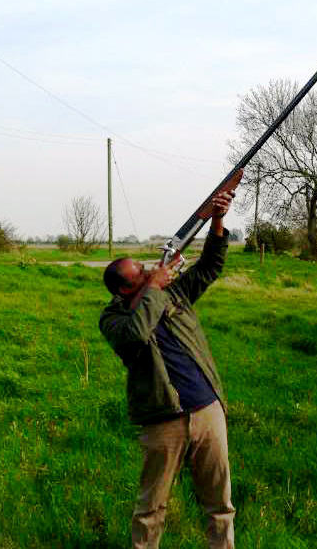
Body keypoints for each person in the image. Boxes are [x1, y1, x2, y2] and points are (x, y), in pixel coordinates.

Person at [99, 190, 236, 549]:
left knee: (220, 505)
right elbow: (135, 336)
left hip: (207, 410)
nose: (149, 271)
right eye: (140, 274)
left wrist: (217, 219)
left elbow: (210, 267)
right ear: (124, 289)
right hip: (164, 420)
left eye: (146, 269)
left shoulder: (172, 293)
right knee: (151, 508)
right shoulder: (114, 318)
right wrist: (155, 289)